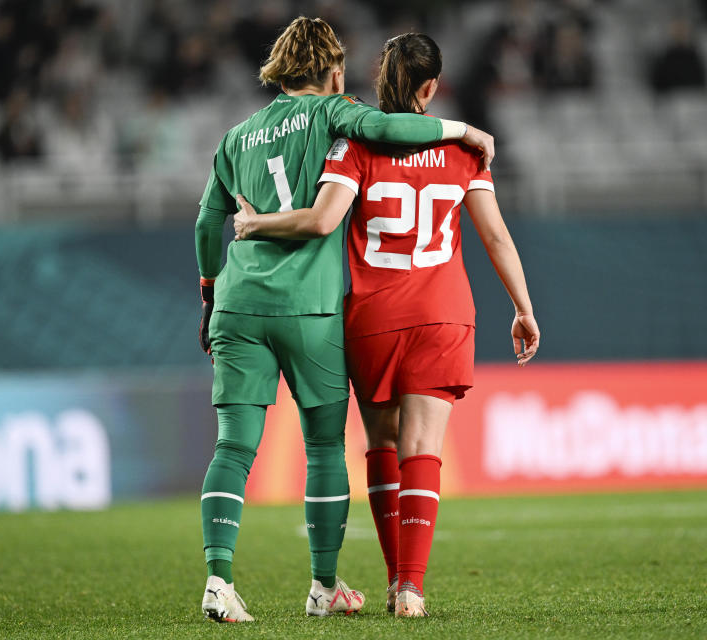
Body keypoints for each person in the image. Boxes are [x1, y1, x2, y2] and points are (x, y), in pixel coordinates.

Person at [194, 17, 495, 623]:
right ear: (332, 71)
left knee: (233, 445)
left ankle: (218, 580)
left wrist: (207, 292)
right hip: (310, 307)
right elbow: (388, 126)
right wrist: (464, 128)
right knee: (326, 446)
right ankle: (324, 585)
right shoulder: (337, 114)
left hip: (237, 303)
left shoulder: (233, 138)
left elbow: (207, 226)